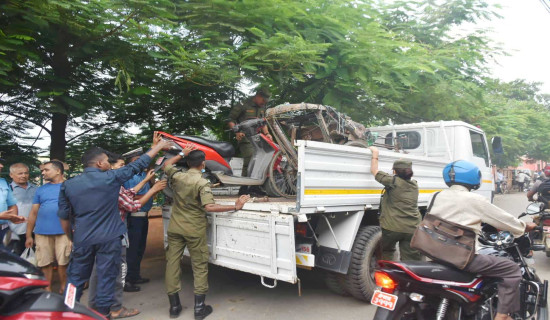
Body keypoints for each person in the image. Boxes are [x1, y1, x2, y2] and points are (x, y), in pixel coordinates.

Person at [57, 134, 171, 318]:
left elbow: (63, 217)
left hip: (82, 238)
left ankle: (66, 311)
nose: (109, 164)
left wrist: (72, 237)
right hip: (109, 239)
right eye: (107, 161)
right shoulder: (111, 178)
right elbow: (137, 166)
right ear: (100, 164)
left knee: (75, 279)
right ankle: (101, 314)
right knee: (106, 278)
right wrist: (157, 147)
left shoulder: (68, 185)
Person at [429, 160, 537, 320]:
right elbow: (504, 220)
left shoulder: (436, 196)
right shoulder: (475, 200)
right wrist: (524, 226)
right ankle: (502, 315)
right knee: (511, 269)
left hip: (434, 253)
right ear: (474, 178)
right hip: (460, 257)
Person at [162, 149, 250, 319]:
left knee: (172, 264)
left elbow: (167, 164)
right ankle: (199, 308)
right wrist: (235, 206)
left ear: (187, 163)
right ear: (203, 164)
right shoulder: (202, 183)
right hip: (194, 229)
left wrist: (182, 153)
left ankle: (174, 307)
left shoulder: (177, 176)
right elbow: (209, 207)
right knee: (199, 266)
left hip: (175, 228)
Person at [88, 152, 167, 319]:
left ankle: (95, 307)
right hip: (115, 232)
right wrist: (152, 190)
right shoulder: (112, 184)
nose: (123, 168)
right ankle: (115, 307)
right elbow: (132, 204)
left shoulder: (90, 184)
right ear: (104, 165)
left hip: (100, 232)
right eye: (120, 165)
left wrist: (147, 181)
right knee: (117, 270)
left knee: (100, 270)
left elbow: (129, 193)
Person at [369, 146, 422, 261]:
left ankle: (390, 274)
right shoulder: (414, 185)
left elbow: (374, 171)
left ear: (394, 171)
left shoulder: (392, 181)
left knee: (388, 251)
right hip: (412, 227)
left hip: (392, 227)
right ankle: (408, 276)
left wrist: (375, 153)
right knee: (411, 258)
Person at [24, 161, 70, 292]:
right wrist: (29, 235)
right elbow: (33, 213)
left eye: (46, 170)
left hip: (64, 232)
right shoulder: (41, 189)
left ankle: (63, 288)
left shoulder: (69, 187)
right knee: (44, 262)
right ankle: (47, 289)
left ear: (58, 171)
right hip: (42, 232)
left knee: (64, 262)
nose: (43, 172)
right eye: (43, 170)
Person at [227, 87, 271, 196]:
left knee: (261, 160)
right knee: (251, 159)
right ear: (258, 96)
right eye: (263, 100)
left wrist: (267, 134)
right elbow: (230, 119)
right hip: (245, 137)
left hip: (258, 138)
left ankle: (255, 187)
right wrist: (236, 132)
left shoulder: (263, 107)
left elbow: (263, 122)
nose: (264, 103)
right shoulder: (244, 104)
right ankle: (245, 188)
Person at [122, 149, 156, 289]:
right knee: (132, 249)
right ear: (134, 162)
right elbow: (131, 197)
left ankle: (135, 276)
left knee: (139, 248)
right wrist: (151, 192)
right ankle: (128, 280)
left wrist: (152, 181)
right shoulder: (131, 177)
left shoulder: (143, 174)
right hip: (134, 217)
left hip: (143, 216)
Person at [8, 163, 37, 255]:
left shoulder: (36, 189)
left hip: (35, 231)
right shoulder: (7, 190)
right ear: (11, 175)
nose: (24, 176)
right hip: (16, 232)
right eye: (20, 173)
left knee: (34, 261)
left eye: (26, 173)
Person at [0, 157, 23, 246]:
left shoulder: (3, 182)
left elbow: (12, 204)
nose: (1, 166)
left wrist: (13, 217)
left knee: (6, 259)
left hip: (4, 230)